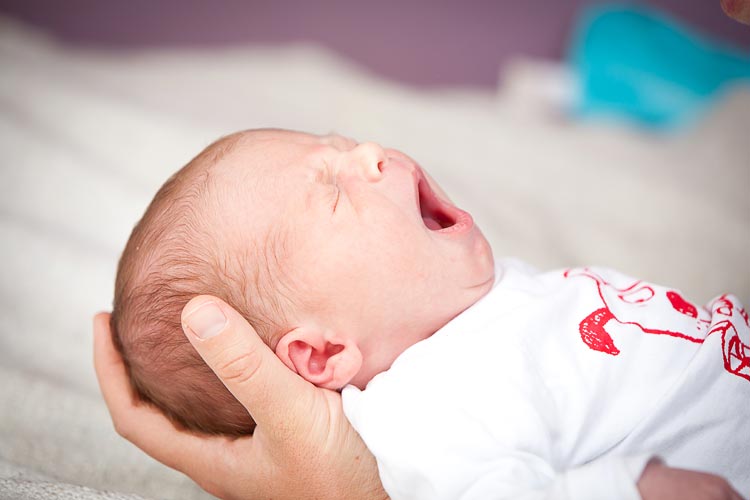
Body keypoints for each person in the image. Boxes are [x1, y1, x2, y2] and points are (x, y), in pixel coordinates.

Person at [96, 128, 748, 500]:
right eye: (330, 189)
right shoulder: (423, 415)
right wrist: (634, 490)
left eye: (341, 145)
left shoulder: (467, 309)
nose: (369, 154)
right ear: (320, 355)